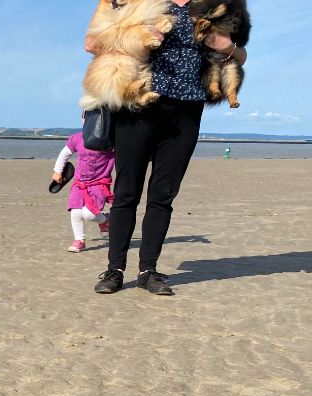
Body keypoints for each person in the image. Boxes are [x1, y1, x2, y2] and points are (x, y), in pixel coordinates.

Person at [88, 0, 248, 295]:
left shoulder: (213, 6)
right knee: (126, 193)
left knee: (163, 196)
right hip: (138, 104)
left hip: (187, 112)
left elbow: (241, 54)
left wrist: (223, 45)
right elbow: (93, 43)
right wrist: (138, 37)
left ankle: (148, 270)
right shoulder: (138, 2)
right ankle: (115, 270)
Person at [53, 116, 115, 253]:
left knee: (89, 214)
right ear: (83, 119)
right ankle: (79, 240)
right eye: (87, 117)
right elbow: (64, 154)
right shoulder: (78, 138)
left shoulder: (110, 141)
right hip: (79, 183)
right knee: (75, 212)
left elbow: (125, 157)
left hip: (98, 184)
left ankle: (105, 220)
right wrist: (57, 171)